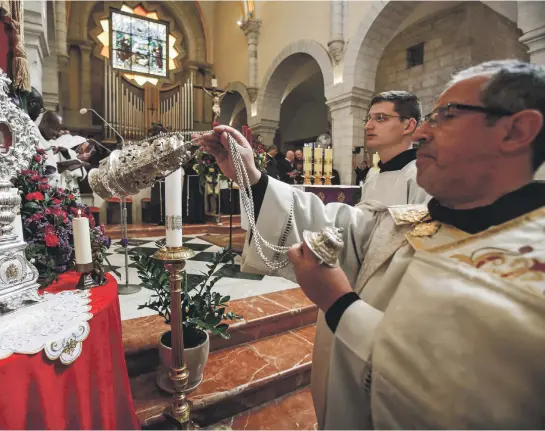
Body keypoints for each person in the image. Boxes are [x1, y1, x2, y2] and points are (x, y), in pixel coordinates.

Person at [195, 59, 545, 429]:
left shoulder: (529, 273)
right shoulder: (429, 216)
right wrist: (252, 178)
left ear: (515, 131)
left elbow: (461, 402)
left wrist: (341, 306)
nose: (422, 132)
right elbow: (347, 227)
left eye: (446, 116)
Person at [361, 91, 430, 205]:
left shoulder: (422, 178)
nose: (367, 126)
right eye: (368, 119)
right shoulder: (372, 175)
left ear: (408, 125)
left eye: (380, 118)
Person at [37, 111, 88, 192]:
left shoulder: (52, 142)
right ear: (44, 122)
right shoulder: (34, 137)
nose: (56, 134)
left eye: (58, 130)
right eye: (54, 129)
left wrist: (66, 155)